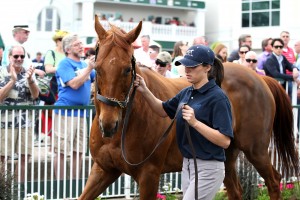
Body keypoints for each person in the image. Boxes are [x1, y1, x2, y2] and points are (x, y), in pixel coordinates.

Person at [134, 45, 233, 200]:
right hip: (187, 165)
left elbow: (225, 141)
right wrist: (145, 90)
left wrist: (195, 123)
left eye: (193, 66)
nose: (187, 70)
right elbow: (162, 109)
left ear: (207, 67)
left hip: (209, 167)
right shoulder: (187, 92)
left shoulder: (218, 97)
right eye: (186, 65)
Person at [54, 34, 96, 180]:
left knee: (78, 151)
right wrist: (90, 68)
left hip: (82, 113)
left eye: (81, 43)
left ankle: (74, 184)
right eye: (77, 44)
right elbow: (74, 84)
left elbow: (96, 80)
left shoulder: (85, 65)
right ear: (68, 49)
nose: (81, 46)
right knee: (60, 150)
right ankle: (60, 185)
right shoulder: (64, 64)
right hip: (66, 112)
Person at [0, 45, 39, 182]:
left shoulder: (29, 72)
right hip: (5, 123)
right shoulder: (1, 72)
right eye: (16, 56)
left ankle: (17, 191)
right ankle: (3, 191)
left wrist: (31, 80)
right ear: (9, 57)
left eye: (22, 56)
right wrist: (12, 81)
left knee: (24, 157)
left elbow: (35, 95)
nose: (19, 59)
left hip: (26, 122)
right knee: (2, 157)